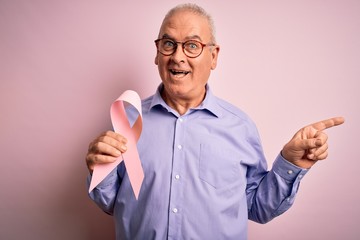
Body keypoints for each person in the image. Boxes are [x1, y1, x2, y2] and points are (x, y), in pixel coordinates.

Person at [86, 3, 344, 239]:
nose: (177, 57)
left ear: (214, 56)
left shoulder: (240, 128)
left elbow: (257, 208)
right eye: (168, 44)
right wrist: (99, 171)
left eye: (192, 45)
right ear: (157, 52)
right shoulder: (129, 119)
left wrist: (290, 162)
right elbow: (112, 203)